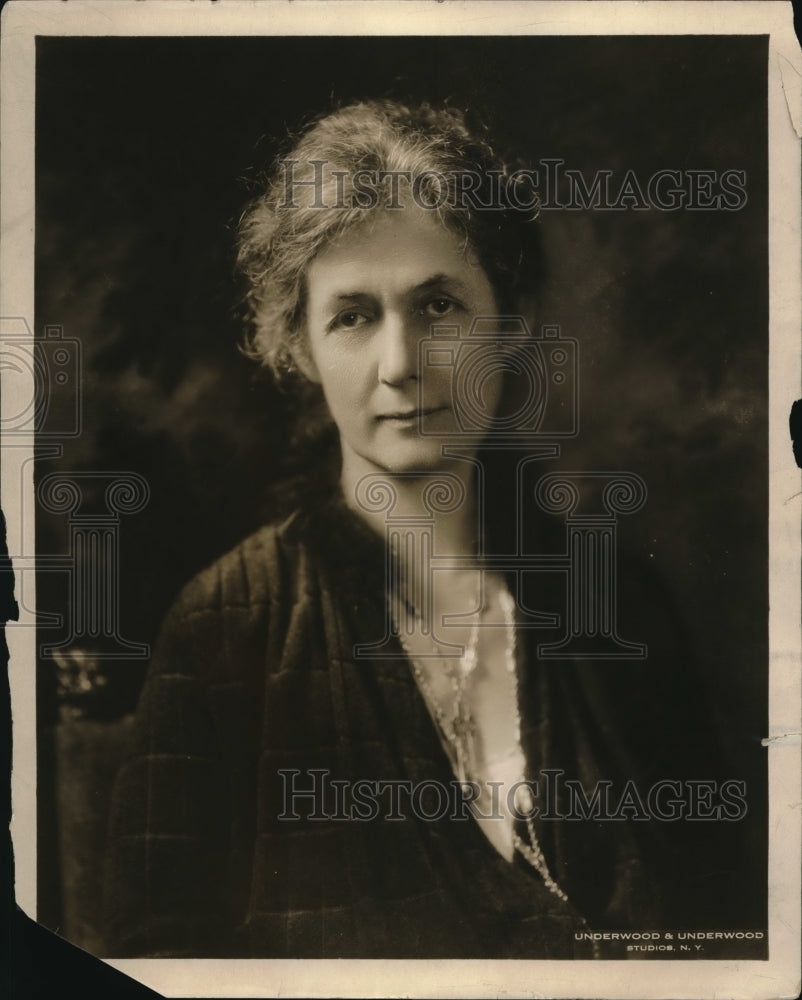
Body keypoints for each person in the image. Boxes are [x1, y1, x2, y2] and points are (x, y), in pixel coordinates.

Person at [103, 99, 739, 959]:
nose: (400, 364)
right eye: (353, 315)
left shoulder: (620, 604)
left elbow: (724, 932)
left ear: (507, 325)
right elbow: (158, 962)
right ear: (297, 345)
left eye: (439, 307)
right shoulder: (224, 630)